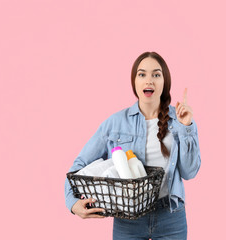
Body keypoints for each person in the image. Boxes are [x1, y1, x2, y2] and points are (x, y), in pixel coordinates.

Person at [65, 51, 201, 239]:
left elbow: (190, 172)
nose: (149, 81)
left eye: (156, 74)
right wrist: (72, 203)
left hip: (170, 215)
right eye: (142, 74)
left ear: (165, 82)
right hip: (128, 219)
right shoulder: (115, 123)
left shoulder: (179, 119)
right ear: (134, 82)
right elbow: (79, 165)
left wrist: (186, 128)